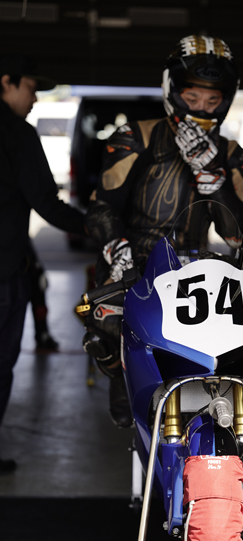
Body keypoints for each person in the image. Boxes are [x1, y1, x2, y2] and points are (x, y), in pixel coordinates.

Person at [83, 34, 243, 428]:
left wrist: (214, 179)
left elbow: (240, 237)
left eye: (211, 101)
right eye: (192, 97)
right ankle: (123, 377)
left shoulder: (234, 155)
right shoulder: (134, 136)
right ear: (172, 91)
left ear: (226, 100)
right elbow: (100, 208)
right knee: (109, 326)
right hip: (133, 266)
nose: (200, 109)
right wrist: (118, 252)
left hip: (197, 270)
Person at [0, 54, 86, 472]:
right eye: (31, 88)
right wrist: (102, 227)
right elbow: (47, 203)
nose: (34, 99)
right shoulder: (16, 133)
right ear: (7, 82)